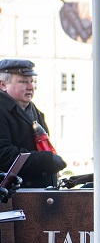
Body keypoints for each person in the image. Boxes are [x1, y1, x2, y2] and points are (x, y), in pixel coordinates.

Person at [0, 59, 67, 188]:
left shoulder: (34, 111)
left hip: (36, 193)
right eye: (23, 82)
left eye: (32, 81)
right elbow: (4, 155)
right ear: (3, 85)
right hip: (16, 196)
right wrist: (47, 161)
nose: (30, 87)